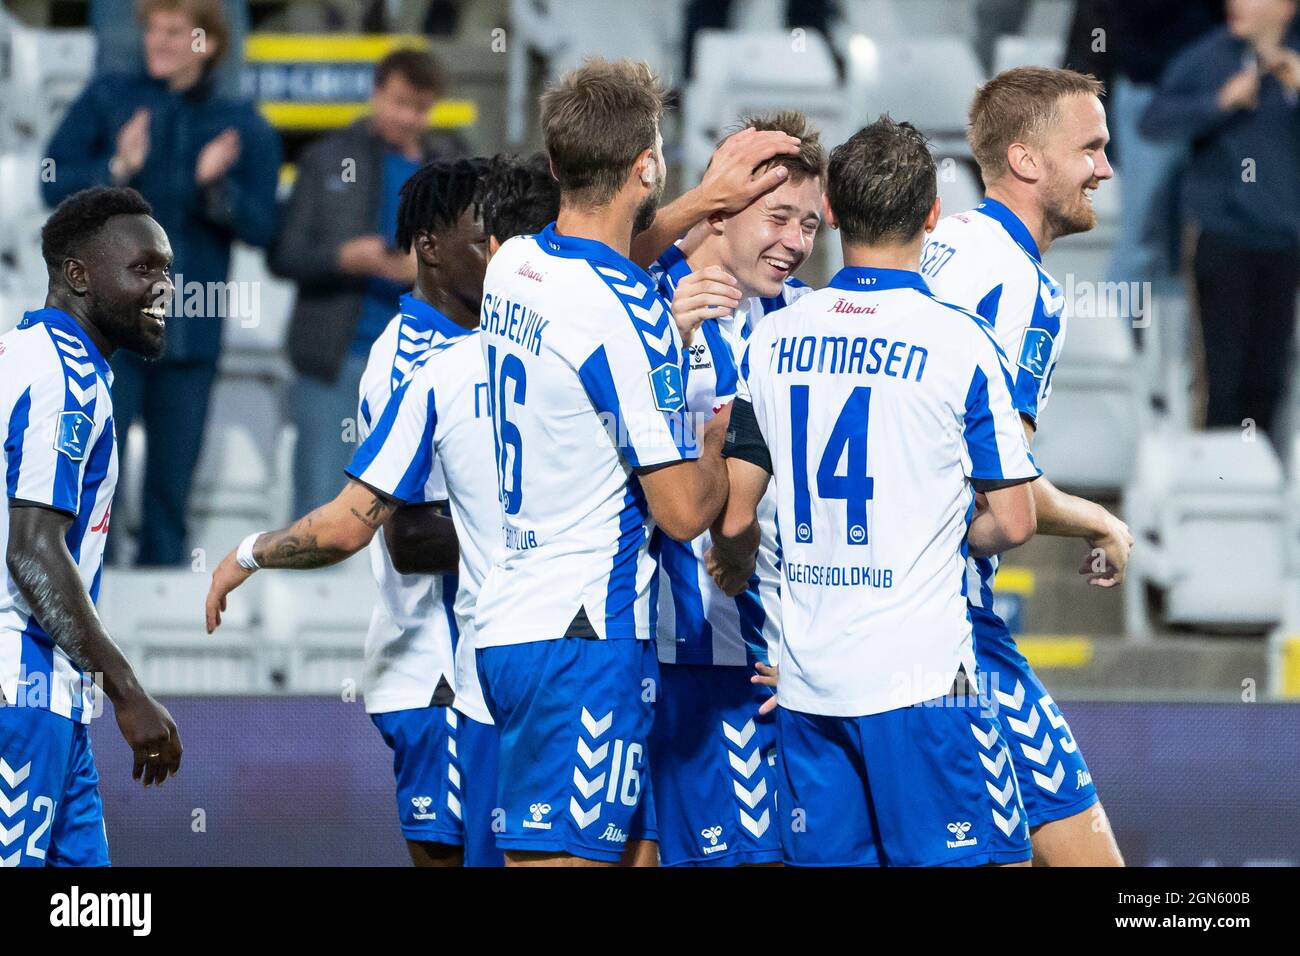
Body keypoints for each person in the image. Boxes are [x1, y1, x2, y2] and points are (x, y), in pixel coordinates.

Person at [712, 116, 1039, 867]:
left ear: (829, 209)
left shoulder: (774, 339)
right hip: (926, 679)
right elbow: (1014, 521)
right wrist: (947, 529)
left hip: (809, 680)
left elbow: (735, 513)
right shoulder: (961, 342)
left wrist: (739, 565)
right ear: (932, 214)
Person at [473, 58, 732, 867]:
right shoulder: (631, 321)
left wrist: (700, 204)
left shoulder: (513, 264)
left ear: (555, 165)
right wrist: (723, 438)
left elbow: (612, 256)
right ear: (646, 166)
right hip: (585, 639)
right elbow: (684, 512)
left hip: (509, 623)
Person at [205, 158, 494, 867]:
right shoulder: (410, 359)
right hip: (438, 672)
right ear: (428, 246)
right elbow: (408, 535)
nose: (502, 251)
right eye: (484, 236)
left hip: (494, 668)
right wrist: (543, 534)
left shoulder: (495, 343)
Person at [921, 66, 1129, 865]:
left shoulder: (939, 248)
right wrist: (1100, 519)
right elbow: (1003, 484)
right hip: (953, 627)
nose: (1106, 170)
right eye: (1091, 148)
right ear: (1028, 160)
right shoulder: (1024, 288)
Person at [641, 110, 824, 867]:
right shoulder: (641, 297)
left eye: (811, 223)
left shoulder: (814, 320)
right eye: (777, 215)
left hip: (767, 660)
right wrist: (664, 346)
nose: (795, 241)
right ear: (719, 204)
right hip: (663, 654)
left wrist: (822, 650)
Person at [42, 0, 281, 568]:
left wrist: (212, 188)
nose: (158, 42)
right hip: (109, 333)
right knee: (92, 485)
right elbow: (52, 181)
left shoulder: (242, 123)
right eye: (152, 30)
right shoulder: (108, 99)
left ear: (209, 44)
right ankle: (79, 615)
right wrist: (116, 168)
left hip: (190, 333)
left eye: (175, 32)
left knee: (169, 497)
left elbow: (265, 227)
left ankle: (155, 621)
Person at [1, 186, 184, 866]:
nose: (164, 287)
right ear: (78, 276)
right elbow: (33, 551)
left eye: (166, 269)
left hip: (53, 699)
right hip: (20, 696)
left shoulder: (22, 356)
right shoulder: (64, 377)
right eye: (144, 268)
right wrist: (128, 691)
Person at [270, 48, 469, 518]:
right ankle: (311, 591)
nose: (408, 117)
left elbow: (477, 254)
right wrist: (344, 259)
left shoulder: (451, 166)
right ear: (376, 93)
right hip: (336, 358)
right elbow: (285, 253)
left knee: (421, 508)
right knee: (322, 502)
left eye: (419, 108)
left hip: (428, 360)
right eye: (399, 102)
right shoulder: (326, 158)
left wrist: (420, 269)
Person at [1142, 0, 1300, 439]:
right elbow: (1153, 122)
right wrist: (1219, 103)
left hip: (1285, 241)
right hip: (1221, 236)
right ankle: (1214, 482)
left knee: (1268, 378)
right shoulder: (1208, 56)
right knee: (1220, 378)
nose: (1234, 4)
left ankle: (1257, 493)